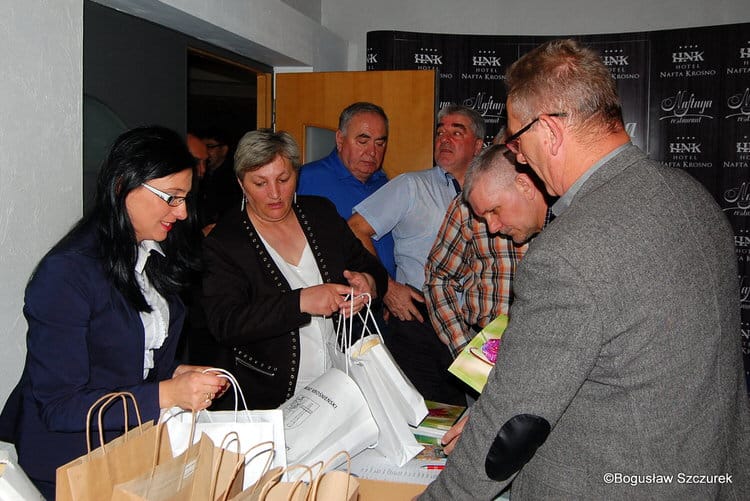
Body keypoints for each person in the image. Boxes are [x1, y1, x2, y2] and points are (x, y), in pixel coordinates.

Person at [419, 39, 750, 500]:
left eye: (516, 142)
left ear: (550, 131)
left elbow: (510, 431)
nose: (517, 155)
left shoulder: (567, 250)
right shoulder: (693, 197)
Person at [0, 126, 228, 499]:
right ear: (123, 185)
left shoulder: (151, 254)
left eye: (186, 198)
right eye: (171, 198)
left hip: (130, 453)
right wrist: (167, 394)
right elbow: (59, 407)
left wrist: (174, 372)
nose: (184, 212)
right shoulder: (67, 273)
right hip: (70, 467)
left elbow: (120, 358)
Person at [201, 129, 388, 410]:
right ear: (241, 184)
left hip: (342, 386)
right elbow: (226, 323)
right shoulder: (226, 241)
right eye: (260, 183)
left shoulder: (320, 214)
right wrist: (300, 301)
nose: (275, 193)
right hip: (270, 396)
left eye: (283, 179)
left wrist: (368, 283)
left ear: (296, 175)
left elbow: (371, 268)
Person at [348, 104, 485, 405]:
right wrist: (388, 287)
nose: (444, 139)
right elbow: (356, 229)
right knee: (428, 416)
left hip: (477, 327)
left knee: (476, 416)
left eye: (456, 132)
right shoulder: (412, 186)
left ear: (478, 146)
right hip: (419, 321)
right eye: (440, 132)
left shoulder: (494, 190)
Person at [423, 144, 550, 358]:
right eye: (484, 216)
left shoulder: (571, 214)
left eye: (494, 210)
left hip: (550, 354)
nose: (491, 227)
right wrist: (465, 350)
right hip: (484, 346)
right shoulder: (466, 206)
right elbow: (439, 277)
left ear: (524, 186)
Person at [297, 101, 396, 278]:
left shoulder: (385, 184)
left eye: (379, 143)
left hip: (383, 297)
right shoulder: (306, 180)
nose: (372, 152)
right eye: (363, 141)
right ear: (340, 140)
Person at [196, 126, 242, 235]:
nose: (206, 152)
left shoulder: (234, 178)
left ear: (224, 150)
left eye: (210, 146)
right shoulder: (199, 176)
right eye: (203, 146)